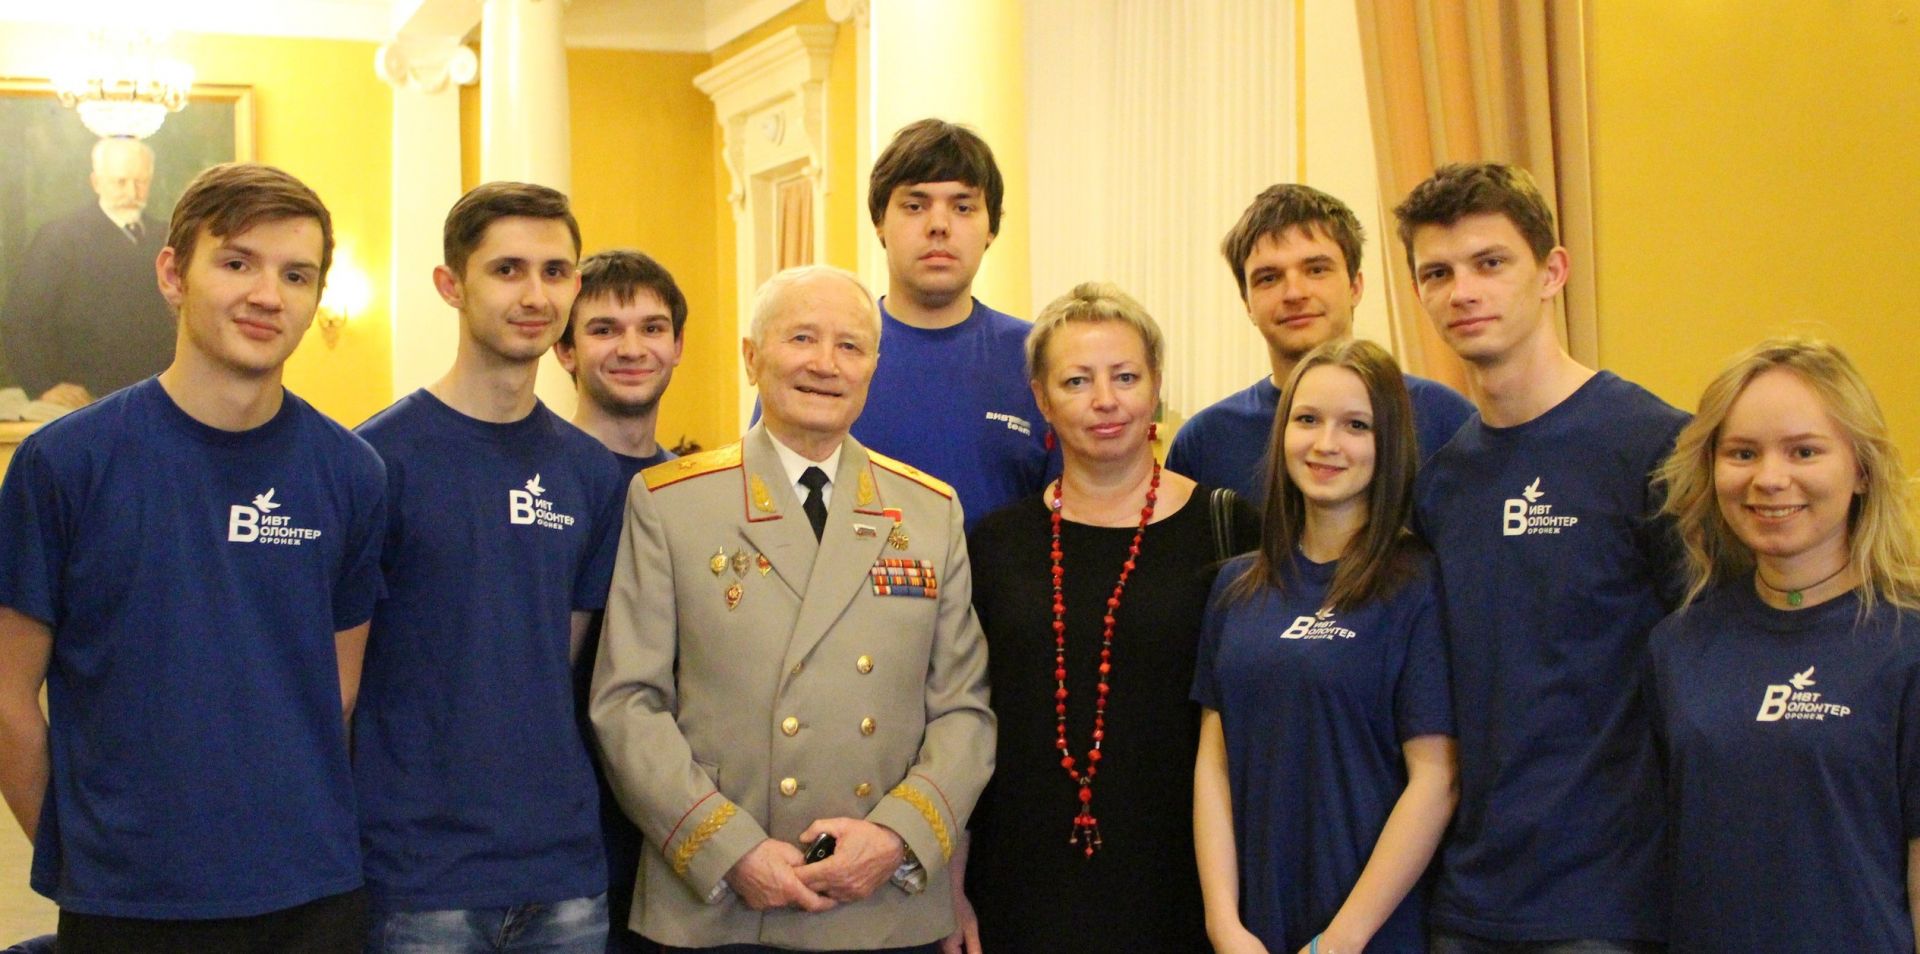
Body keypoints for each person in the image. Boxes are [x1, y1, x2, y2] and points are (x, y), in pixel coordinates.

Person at [0, 162, 386, 952]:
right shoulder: (64, 463)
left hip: (312, 895)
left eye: (296, 275)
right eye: (237, 263)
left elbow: (337, 688)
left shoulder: (352, 472)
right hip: (126, 904)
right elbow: (7, 698)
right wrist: (83, 857)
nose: (268, 295)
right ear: (173, 274)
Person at [590, 264, 993, 953]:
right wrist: (730, 850)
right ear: (752, 356)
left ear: (873, 368)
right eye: (801, 338)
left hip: (884, 906)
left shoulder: (930, 511)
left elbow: (965, 711)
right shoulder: (670, 503)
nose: (825, 364)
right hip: (719, 904)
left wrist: (897, 836)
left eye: (849, 346)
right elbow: (627, 704)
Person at [1394, 163, 1687, 952]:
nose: (1463, 291)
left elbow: (1712, 669)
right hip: (1469, 897)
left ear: (1552, 271)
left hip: (1608, 902)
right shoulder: (1442, 484)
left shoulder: (1654, 446)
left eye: (1490, 263)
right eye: (1437, 273)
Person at [353, 182, 625, 952]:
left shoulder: (590, 472)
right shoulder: (373, 461)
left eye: (555, 271)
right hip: (419, 874)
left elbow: (557, 661)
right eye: (507, 270)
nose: (535, 295)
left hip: (564, 872)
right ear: (451, 284)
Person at [954, 282, 1257, 953]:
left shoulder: (1229, 529)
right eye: (1076, 381)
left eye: (1125, 376)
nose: (1105, 400)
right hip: (1019, 881)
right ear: (1040, 398)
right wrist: (951, 878)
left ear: (1155, 384)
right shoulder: (997, 544)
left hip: (1186, 880)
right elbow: (965, 716)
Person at [1646, 338, 1920, 951]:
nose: (1770, 479)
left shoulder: (1906, 646)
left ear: (1862, 470)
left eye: (1804, 451)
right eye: (1743, 453)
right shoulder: (1677, 647)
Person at [1193, 338, 1458, 954]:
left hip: (1372, 933)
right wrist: (1224, 924)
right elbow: (1214, 765)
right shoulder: (1235, 587)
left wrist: (1340, 940)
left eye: (1356, 425)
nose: (1326, 443)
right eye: (1307, 419)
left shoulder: (1418, 584)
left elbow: (1437, 779)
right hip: (1255, 932)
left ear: (1389, 443)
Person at [1167, 184, 1473, 503]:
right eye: (1269, 278)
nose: (1295, 293)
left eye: (1316, 270)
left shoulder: (1444, 420)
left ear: (1355, 286)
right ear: (1247, 303)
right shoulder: (1204, 443)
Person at [554, 248, 689, 954]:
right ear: (564, 350)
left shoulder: (696, 491)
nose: (632, 348)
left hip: (671, 831)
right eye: (604, 329)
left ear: (678, 346)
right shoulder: (539, 484)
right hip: (561, 833)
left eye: (652, 328)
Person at [854, 118, 1056, 530]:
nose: (939, 225)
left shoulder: (1040, 358)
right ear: (879, 221)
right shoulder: (827, 358)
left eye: (963, 207)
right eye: (915, 206)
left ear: (991, 228)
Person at [1, 137, 175, 408]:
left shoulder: (166, 237)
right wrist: (43, 385)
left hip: (158, 394)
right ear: (97, 183)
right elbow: (21, 319)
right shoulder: (59, 238)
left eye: (140, 182)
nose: (132, 192)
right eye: (120, 182)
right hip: (84, 400)